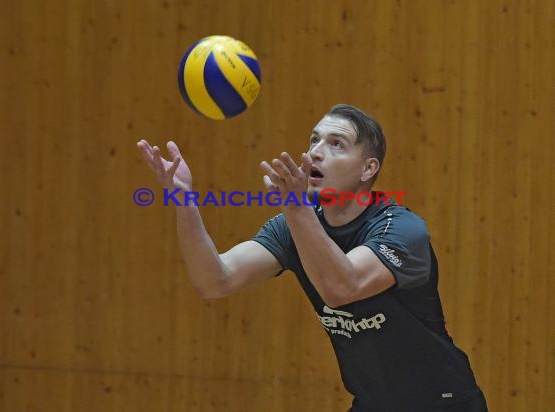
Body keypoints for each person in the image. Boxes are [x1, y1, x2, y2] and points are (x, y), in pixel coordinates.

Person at [136, 104, 488, 412]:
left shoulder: (403, 230)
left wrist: (295, 207)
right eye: (314, 140)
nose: (317, 152)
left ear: (368, 169)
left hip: (444, 404)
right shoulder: (295, 224)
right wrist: (184, 203)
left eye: (337, 144)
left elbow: (342, 287)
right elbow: (216, 280)